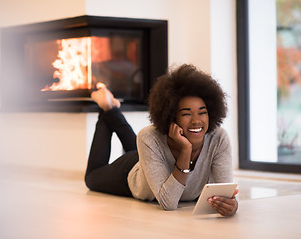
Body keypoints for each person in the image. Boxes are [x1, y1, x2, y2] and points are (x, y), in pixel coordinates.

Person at [84, 64, 238, 216]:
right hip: (132, 172)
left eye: (202, 113)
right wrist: (186, 150)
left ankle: (113, 110)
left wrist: (232, 205)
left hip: (152, 157)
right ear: (171, 116)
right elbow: (168, 203)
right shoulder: (149, 137)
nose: (196, 121)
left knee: (144, 146)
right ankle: (108, 109)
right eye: (186, 114)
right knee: (91, 179)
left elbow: (225, 192)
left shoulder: (218, 138)